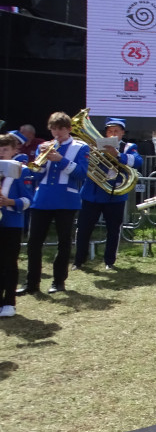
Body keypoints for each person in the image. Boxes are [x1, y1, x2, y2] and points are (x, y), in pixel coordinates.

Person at [19, 112, 89, 295]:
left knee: (63, 242)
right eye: (53, 129)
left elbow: (82, 174)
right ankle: (31, 283)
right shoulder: (44, 147)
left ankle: (58, 282)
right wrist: (40, 162)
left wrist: (61, 160)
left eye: (60, 129)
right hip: (42, 199)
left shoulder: (80, 147)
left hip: (66, 199)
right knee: (34, 242)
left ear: (68, 129)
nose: (56, 132)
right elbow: (36, 175)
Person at [73, 118, 144, 271]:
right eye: (110, 131)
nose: (112, 134)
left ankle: (109, 261)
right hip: (92, 193)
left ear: (122, 133)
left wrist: (117, 155)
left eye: (116, 131)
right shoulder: (93, 144)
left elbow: (138, 161)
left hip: (115, 195)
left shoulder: (128, 147)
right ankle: (79, 261)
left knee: (113, 230)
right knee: (84, 228)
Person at [0, 134, 32, 317]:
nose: (1, 152)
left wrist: (9, 201)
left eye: (6, 149)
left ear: (14, 151)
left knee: (9, 262)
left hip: (12, 222)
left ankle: (9, 302)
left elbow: (28, 200)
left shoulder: (22, 170)